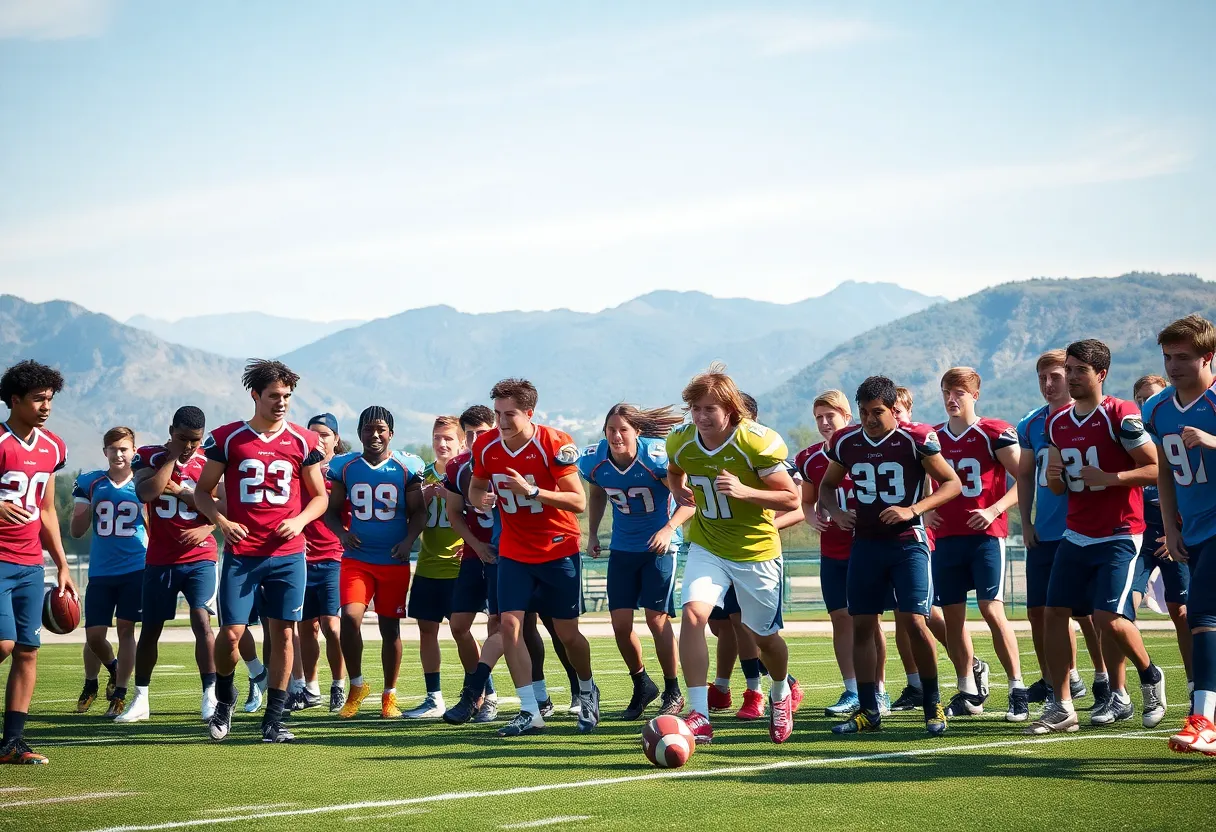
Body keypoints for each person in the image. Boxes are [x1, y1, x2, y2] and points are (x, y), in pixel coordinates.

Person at [1028, 339, 1166, 734]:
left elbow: (1155, 468)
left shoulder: (1120, 414)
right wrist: (1054, 480)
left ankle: (1149, 674)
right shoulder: (1056, 423)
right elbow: (1060, 488)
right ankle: (1063, 706)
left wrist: (1111, 478)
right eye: (1067, 369)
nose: (1070, 377)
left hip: (1120, 532)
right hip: (1077, 532)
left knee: (1109, 618)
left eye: (1078, 370)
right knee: (1055, 614)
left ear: (1100, 374)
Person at [194, 359, 330, 743]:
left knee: (284, 635)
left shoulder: (303, 441)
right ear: (255, 395)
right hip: (243, 552)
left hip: (288, 553)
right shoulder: (228, 438)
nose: (282, 402)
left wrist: (300, 520)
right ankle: (225, 695)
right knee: (232, 634)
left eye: (287, 396)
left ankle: (273, 719)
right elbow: (203, 492)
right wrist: (222, 523)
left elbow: (319, 497)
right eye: (274, 395)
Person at [820, 375, 962, 737]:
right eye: (864, 412)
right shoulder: (846, 441)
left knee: (915, 621)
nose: (869, 419)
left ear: (893, 410)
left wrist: (912, 509)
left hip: (907, 543)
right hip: (865, 544)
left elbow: (952, 483)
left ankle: (933, 704)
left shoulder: (915, 439)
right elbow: (826, 485)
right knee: (863, 626)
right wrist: (836, 513)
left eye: (878, 412)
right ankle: (869, 709)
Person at [666, 364, 800, 745]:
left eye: (710, 409)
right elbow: (675, 470)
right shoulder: (681, 440)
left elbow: (791, 497)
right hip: (708, 544)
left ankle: (779, 693)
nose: (701, 416)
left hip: (755, 550)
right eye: (696, 408)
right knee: (693, 615)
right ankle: (700, 714)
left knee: (764, 638)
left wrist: (745, 491)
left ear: (731, 411)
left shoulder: (755, 442)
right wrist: (677, 490)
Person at [468, 378, 598, 737]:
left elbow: (579, 502)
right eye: (497, 414)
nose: (502, 422)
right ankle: (530, 709)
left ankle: (586, 689)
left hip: (557, 547)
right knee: (509, 626)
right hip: (513, 549)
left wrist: (534, 491)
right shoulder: (485, 445)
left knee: (567, 633)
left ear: (529, 413)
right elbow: (476, 485)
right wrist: (480, 498)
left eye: (510, 414)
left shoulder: (553, 442)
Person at [929, 368, 1027, 722]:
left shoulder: (993, 432)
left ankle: (1017, 687)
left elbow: (1024, 478)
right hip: (947, 538)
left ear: (975, 395)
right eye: (946, 392)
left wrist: (995, 508)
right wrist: (926, 512)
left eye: (959, 392)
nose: (952, 399)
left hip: (986, 536)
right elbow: (924, 481)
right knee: (952, 620)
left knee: (991, 610)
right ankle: (968, 689)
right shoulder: (934, 438)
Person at [581, 404, 691, 720]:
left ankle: (673, 689)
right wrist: (592, 533)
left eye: (623, 429)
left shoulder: (656, 456)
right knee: (620, 625)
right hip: (623, 547)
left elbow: (689, 502)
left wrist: (668, 529)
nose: (616, 435)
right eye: (611, 429)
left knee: (657, 620)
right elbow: (598, 491)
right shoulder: (595, 459)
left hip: (659, 548)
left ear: (637, 432)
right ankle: (642, 683)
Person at [1140, 315, 1216, 754]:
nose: (1172, 366)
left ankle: (1203, 719)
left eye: (1183, 357)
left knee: (1203, 614)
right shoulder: (1159, 408)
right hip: (1195, 529)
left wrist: (1212, 440)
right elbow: (1165, 469)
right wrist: (1169, 525)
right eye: (1167, 357)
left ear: (1208, 356)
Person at [120, 407, 218, 724]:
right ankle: (141, 699)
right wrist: (171, 458)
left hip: (200, 556)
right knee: (150, 630)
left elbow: (224, 506)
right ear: (170, 430)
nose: (189, 446)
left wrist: (207, 527)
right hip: (161, 558)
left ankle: (210, 695)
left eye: (195, 440)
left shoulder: (210, 460)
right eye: (182, 439)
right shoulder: (148, 456)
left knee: (202, 621)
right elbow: (146, 492)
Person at [1016, 351, 1103, 710]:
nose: (1049, 385)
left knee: (1088, 614)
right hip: (1045, 532)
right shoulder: (1032, 423)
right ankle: (1057, 679)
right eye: (1043, 378)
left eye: (1056, 376)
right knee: (1039, 611)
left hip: (1082, 531)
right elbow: (1024, 476)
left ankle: (1104, 678)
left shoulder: (1092, 417)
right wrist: (1026, 521)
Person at [327, 406, 426, 719]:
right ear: (359, 433)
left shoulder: (406, 466)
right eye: (368, 429)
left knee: (390, 629)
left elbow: (419, 512)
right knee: (349, 619)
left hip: (393, 560)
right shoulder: (345, 465)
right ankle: (356, 686)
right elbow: (330, 511)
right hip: (357, 559)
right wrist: (341, 535)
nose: (375, 435)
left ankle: (389, 695)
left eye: (381, 429)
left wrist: (409, 541)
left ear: (391, 434)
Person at [0, 360, 76, 764]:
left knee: (27, 651)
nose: (46, 406)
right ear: (14, 400)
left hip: (30, 562)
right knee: (3, 643)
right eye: (38, 399)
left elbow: (46, 510)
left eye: (50, 399)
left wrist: (61, 564)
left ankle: (12, 742)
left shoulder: (53, 447)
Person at [797, 390, 885, 718]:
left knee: (869, 621)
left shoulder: (863, 447)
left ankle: (878, 690)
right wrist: (811, 517)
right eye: (818, 416)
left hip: (867, 547)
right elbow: (806, 501)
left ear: (847, 416)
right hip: (831, 551)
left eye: (829, 415)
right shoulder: (809, 458)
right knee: (839, 620)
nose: (823, 422)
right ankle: (852, 690)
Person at [71, 427, 147, 718]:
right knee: (94, 635)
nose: (119, 453)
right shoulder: (91, 482)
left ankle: (120, 691)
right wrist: (81, 513)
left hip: (135, 569)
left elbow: (153, 525)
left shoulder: (143, 483)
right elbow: (77, 532)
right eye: (113, 448)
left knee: (127, 630)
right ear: (105, 452)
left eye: (124, 448)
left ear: (134, 451)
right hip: (101, 571)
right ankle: (102, 676)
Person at [442, 405, 502, 724]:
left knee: (500, 626)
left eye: (482, 431)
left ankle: (484, 696)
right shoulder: (457, 467)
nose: (476, 438)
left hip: (508, 554)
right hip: (475, 553)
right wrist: (476, 545)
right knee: (458, 625)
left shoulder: (507, 460)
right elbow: (454, 514)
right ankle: (485, 693)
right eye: (470, 433)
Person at [403, 416, 466, 719]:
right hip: (428, 564)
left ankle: (481, 693)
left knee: (461, 632)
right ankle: (434, 698)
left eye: (449, 439)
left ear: (461, 441)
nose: (442, 444)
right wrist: (419, 502)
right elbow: (407, 517)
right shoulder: (422, 476)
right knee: (426, 630)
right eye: (437, 438)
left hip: (457, 567)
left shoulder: (467, 473)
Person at [1131, 376, 1191, 689]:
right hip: (1140, 537)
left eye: (1150, 397)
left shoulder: (1171, 432)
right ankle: (1124, 688)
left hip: (1176, 534)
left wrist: (1175, 532)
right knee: (1120, 610)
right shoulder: (1129, 438)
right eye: (1139, 399)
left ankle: (1196, 684)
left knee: (1181, 612)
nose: (1144, 405)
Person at [296, 413, 347, 712]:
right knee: (306, 627)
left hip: (333, 556)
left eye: (325, 434)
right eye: (313, 434)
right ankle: (310, 688)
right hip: (302, 557)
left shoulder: (344, 469)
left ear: (336, 439)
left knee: (331, 625)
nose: (318, 439)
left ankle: (338, 685)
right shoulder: (299, 468)